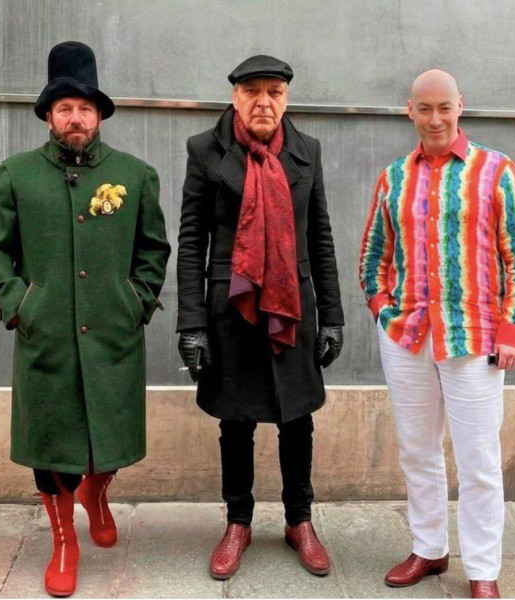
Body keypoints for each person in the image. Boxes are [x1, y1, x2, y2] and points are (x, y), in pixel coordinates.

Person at [0, 41, 170, 597]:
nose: (76, 118)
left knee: (111, 432)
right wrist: (22, 305)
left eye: (85, 107)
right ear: (49, 116)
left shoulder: (135, 175)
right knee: (50, 442)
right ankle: (64, 541)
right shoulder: (14, 175)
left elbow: (153, 250)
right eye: (65, 108)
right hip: (47, 337)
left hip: (113, 332)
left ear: (99, 114)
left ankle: (96, 491)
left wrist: (136, 301)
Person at [359, 69, 515, 599]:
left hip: (474, 339)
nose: (435, 118)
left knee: (479, 460)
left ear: (460, 105)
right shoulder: (393, 178)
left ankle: (483, 570)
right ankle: (429, 548)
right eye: (424, 108)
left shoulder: (496, 170)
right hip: (407, 337)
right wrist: (383, 310)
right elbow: (373, 255)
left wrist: (513, 328)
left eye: (444, 107)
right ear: (409, 111)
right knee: (417, 451)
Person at [177, 55, 344, 579]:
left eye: (275, 92)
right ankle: (238, 522)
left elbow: (320, 235)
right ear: (235, 97)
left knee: (297, 418)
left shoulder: (307, 151)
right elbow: (191, 242)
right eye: (253, 91)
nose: (264, 102)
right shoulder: (205, 150)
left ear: (286, 99)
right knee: (236, 419)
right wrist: (191, 323)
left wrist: (333, 315)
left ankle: (299, 521)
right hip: (231, 307)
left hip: (292, 305)